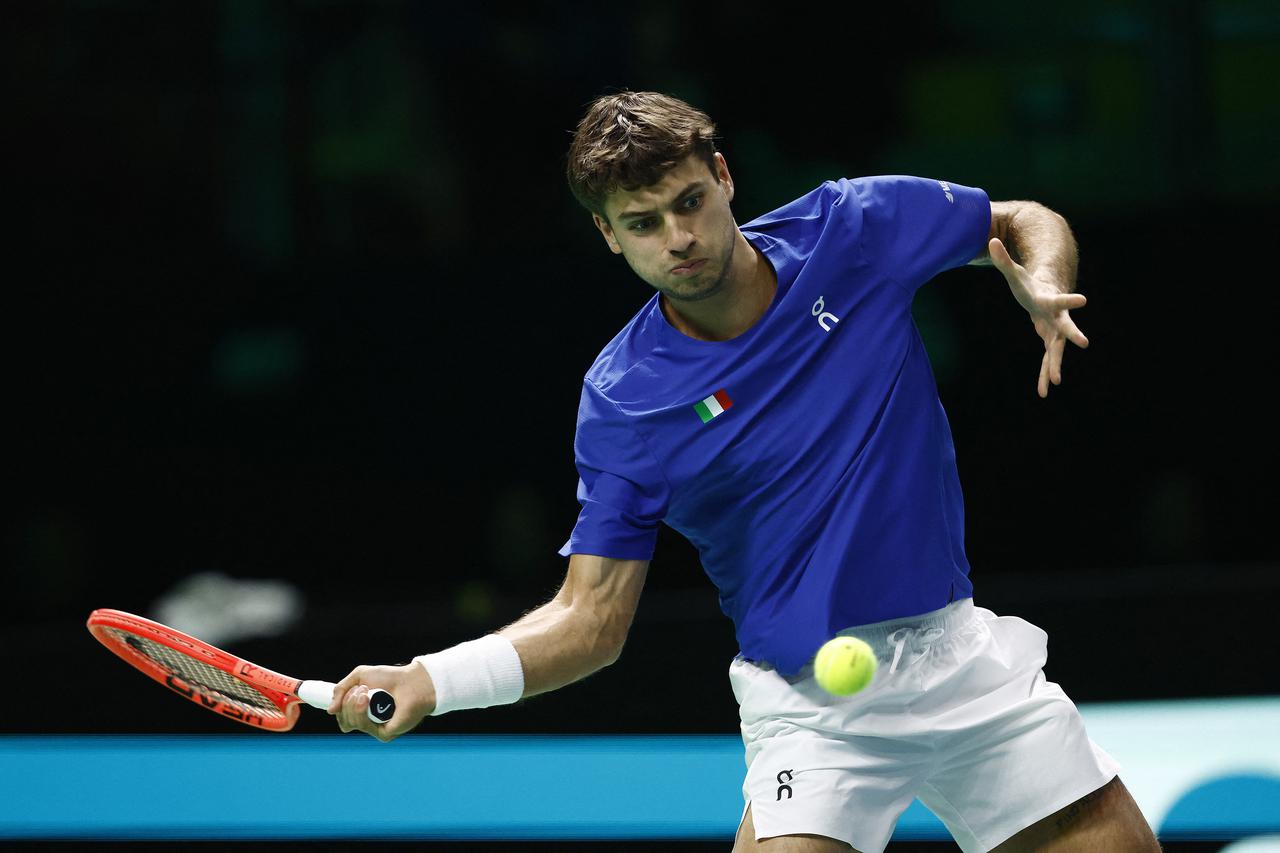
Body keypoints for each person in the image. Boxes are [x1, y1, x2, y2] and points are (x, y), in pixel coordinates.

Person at [328, 91, 1162, 853]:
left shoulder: (850, 230)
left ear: (724, 178)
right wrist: (433, 680)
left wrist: (1043, 285)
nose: (679, 239)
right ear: (608, 234)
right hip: (814, 708)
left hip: (962, 661)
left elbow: (1019, 219)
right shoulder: (628, 402)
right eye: (644, 222)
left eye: (690, 202)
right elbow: (592, 620)